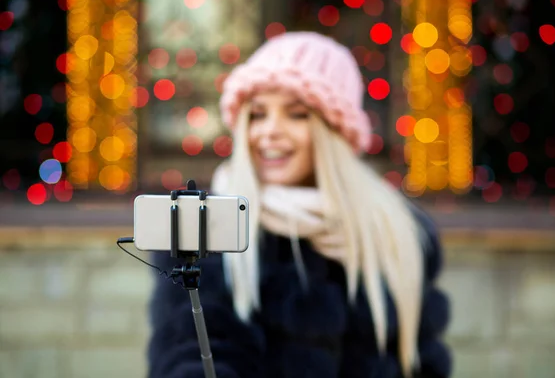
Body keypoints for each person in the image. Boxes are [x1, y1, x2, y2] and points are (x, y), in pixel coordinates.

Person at [147, 31, 451, 378]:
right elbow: (190, 354)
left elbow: (421, 362)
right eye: (258, 114)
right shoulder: (206, 226)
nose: (270, 131)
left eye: (297, 114)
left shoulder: (394, 228)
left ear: (334, 130)